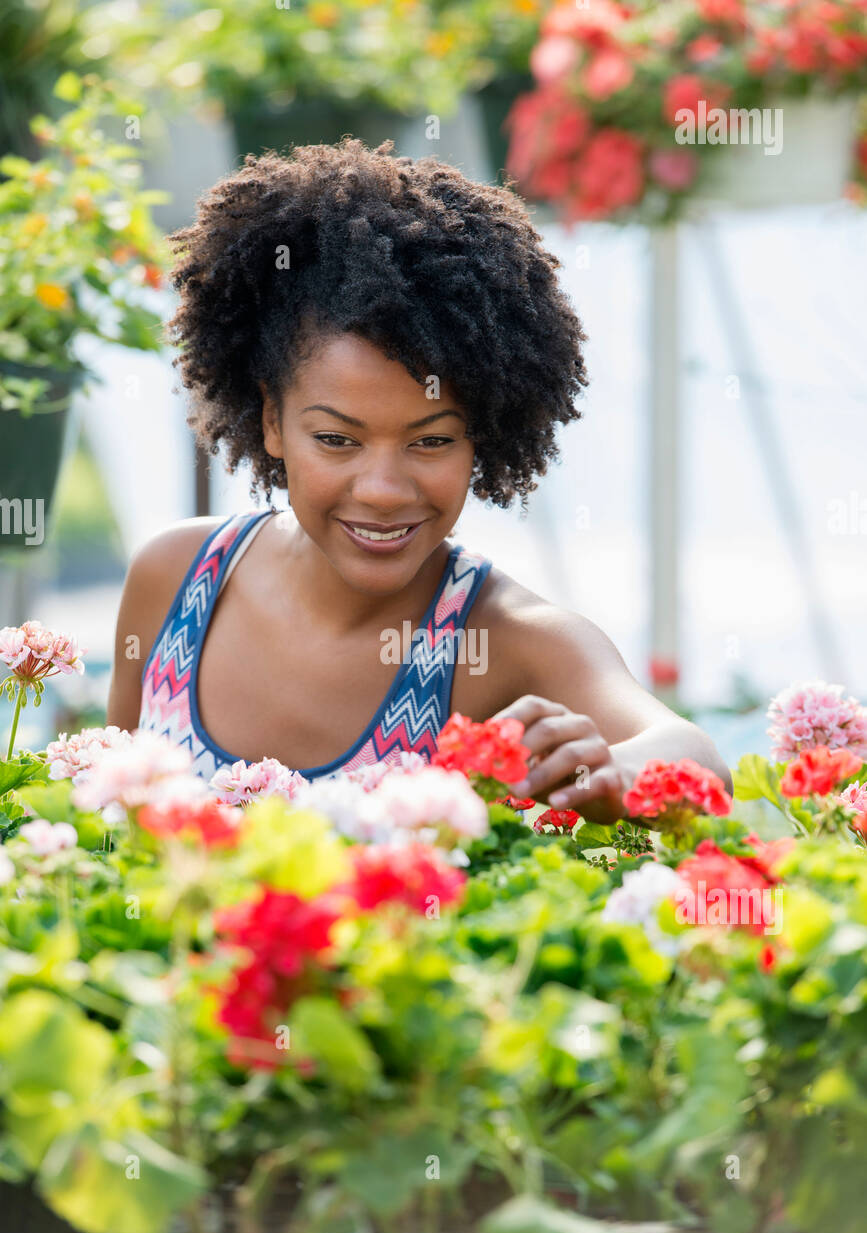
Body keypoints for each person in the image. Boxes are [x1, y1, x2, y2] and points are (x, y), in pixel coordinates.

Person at [108, 139, 730, 821]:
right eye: (337, 440)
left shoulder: (509, 638)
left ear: (481, 437)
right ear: (271, 423)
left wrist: (617, 768)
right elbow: (101, 821)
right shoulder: (177, 580)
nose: (382, 489)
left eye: (431, 441)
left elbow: (695, 755)